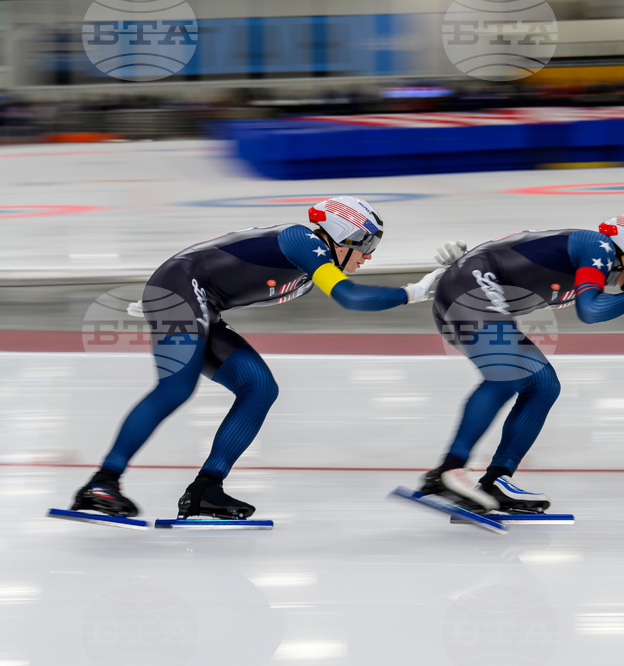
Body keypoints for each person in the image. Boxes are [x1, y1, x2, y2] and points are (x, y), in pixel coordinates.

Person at [69, 196, 444, 520]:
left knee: (259, 388)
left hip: (194, 300)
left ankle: (205, 490)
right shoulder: (303, 239)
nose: (369, 255)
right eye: (365, 243)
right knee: (175, 389)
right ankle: (101, 484)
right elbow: (350, 298)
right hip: (181, 290)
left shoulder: (310, 270)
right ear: (340, 233)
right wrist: (416, 291)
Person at [419, 214, 624, 514]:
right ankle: (449, 470)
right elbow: (590, 311)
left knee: (543, 385)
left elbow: (519, 254)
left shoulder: (597, 264)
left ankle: (496, 480)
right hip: (470, 289)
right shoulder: (600, 247)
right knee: (507, 373)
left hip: (471, 292)